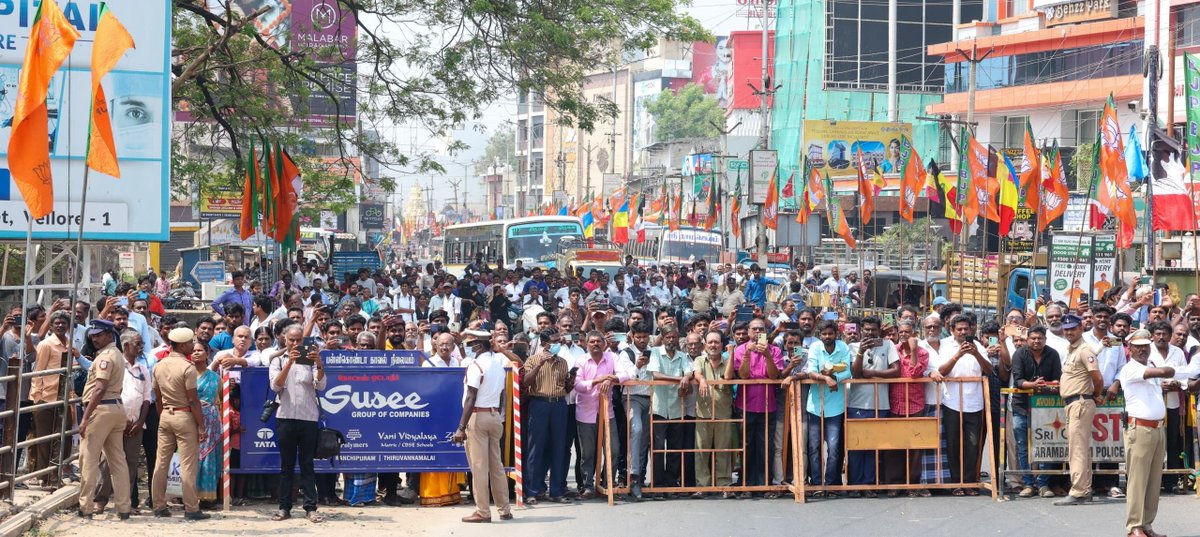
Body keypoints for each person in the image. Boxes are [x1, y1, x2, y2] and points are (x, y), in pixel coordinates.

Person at [453, 329, 513, 523]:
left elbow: (471, 397)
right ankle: (504, 509)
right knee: (496, 466)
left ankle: (483, 511)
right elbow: (503, 394)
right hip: (495, 415)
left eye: (471, 345)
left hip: (478, 416)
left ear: (478, 345)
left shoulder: (476, 365)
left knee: (479, 467)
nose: (470, 349)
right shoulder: (498, 364)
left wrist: (461, 427)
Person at [151, 327, 210, 520]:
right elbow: (193, 400)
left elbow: (158, 397)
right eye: (191, 343)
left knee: (161, 463)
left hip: (166, 416)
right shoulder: (187, 367)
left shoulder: (159, 365)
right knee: (187, 464)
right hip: (184, 416)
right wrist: (201, 425)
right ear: (183, 345)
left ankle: (159, 505)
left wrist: (163, 416)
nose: (193, 346)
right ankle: (191, 508)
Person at [269, 324, 327, 523]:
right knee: (286, 466)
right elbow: (276, 385)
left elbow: (320, 384)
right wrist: (289, 363)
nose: (295, 343)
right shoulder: (277, 359)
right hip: (285, 417)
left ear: (303, 340)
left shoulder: (310, 359)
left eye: (298, 340)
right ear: (284, 340)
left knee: (307, 465)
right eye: (291, 340)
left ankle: (311, 508)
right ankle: (284, 508)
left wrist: (319, 364)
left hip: (308, 418)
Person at [1120, 330, 1175, 537]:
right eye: (1138, 346)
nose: (1142, 349)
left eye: (1145, 346)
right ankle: (1134, 525)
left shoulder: (1149, 366)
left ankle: (1147, 524)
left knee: (1153, 481)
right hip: (1140, 429)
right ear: (1130, 349)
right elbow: (1166, 372)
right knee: (1137, 479)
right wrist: (1169, 369)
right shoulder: (1130, 369)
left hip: (1157, 427)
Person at [76, 320, 131, 520]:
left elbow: (99, 388)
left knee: (88, 459)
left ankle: (85, 506)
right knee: (118, 461)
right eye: (93, 335)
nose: (94, 338)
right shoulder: (116, 354)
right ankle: (124, 507)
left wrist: (86, 417)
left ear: (109, 334)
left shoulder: (105, 357)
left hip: (100, 409)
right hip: (116, 406)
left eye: (99, 334)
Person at [932, 314, 991, 496]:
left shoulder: (978, 345)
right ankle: (956, 482)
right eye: (960, 329)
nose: (963, 332)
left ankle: (971, 482)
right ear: (952, 330)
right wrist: (958, 355)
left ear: (971, 329)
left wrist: (976, 353)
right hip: (952, 402)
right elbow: (941, 371)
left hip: (975, 402)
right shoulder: (946, 345)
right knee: (953, 443)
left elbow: (989, 370)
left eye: (966, 329)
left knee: (973, 444)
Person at [94, 330, 152, 514]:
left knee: (131, 465)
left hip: (136, 424)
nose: (141, 347)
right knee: (107, 463)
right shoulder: (117, 365)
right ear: (126, 345)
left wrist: (140, 421)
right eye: (138, 344)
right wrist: (124, 419)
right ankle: (100, 500)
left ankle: (124, 503)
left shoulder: (143, 369)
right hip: (117, 421)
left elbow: (146, 398)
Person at [573, 331, 633, 499]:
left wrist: (611, 379)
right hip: (586, 413)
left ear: (603, 343)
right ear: (587, 344)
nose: (595, 344)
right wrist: (598, 381)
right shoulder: (581, 361)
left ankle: (607, 483)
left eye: (598, 341)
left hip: (608, 412)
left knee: (613, 449)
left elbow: (626, 374)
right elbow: (577, 385)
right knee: (588, 453)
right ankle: (588, 486)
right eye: (592, 341)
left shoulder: (612, 357)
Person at [727, 317, 783, 497]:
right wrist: (746, 355)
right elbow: (742, 375)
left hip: (768, 406)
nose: (758, 333)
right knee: (747, 445)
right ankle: (747, 484)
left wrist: (766, 355)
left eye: (761, 329)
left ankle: (764, 484)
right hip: (746, 404)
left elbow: (774, 376)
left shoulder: (774, 350)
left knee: (765, 446)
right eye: (754, 329)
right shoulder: (741, 349)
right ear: (749, 332)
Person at [794, 319, 851, 493]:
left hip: (836, 405)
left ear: (836, 334)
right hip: (815, 405)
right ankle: (818, 483)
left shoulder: (843, 347)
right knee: (814, 447)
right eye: (824, 334)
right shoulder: (815, 348)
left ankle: (832, 483)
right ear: (820, 335)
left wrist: (835, 377)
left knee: (833, 447)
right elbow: (812, 371)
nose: (827, 337)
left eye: (830, 333)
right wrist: (826, 378)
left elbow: (848, 371)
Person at [847, 316, 900, 496]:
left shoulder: (888, 345)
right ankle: (855, 485)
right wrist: (861, 351)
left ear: (879, 330)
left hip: (881, 403)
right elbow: (855, 373)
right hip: (856, 403)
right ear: (862, 330)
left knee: (873, 447)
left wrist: (872, 373)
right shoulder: (853, 347)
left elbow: (896, 370)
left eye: (873, 330)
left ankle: (869, 484)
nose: (870, 333)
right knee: (856, 446)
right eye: (867, 330)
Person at [521, 328, 574, 505]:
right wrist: (539, 365)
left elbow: (565, 388)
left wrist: (571, 382)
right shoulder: (532, 360)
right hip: (539, 403)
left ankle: (557, 491)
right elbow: (526, 382)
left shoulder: (563, 362)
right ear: (544, 343)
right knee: (536, 448)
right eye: (554, 341)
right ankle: (532, 491)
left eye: (559, 341)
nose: (558, 344)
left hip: (559, 404)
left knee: (559, 447)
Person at [1054, 314, 1103, 505]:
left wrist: (1097, 395)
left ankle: (1078, 491)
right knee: (1080, 448)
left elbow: (1098, 379)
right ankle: (1084, 488)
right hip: (1074, 403)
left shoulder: (1084, 350)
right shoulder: (1072, 349)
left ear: (1081, 328)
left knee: (1077, 450)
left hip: (1080, 402)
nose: (1069, 332)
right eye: (1066, 329)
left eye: (1073, 328)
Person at [1010, 326, 1062, 498]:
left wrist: (1050, 385)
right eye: (1033, 338)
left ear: (1045, 339)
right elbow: (1018, 381)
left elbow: (1057, 378)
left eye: (1040, 338)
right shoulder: (1019, 354)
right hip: (1021, 406)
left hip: (1045, 407)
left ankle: (1043, 484)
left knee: (1046, 445)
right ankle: (1027, 483)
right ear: (1027, 339)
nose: (1036, 341)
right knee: (1023, 446)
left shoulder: (1053, 354)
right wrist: (1033, 385)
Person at [418, 333, 467, 506]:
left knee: (450, 451)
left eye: (448, 344)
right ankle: (431, 495)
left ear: (453, 347)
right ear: (435, 346)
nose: (445, 347)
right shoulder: (428, 364)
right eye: (441, 344)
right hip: (433, 416)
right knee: (434, 452)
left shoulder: (457, 363)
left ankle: (451, 493)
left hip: (452, 414)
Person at [31, 310, 76, 488]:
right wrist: (37, 397)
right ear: (50, 326)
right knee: (45, 439)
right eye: (56, 323)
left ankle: (57, 471)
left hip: (64, 396)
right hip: (46, 397)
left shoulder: (69, 343)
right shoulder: (46, 344)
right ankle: (46, 477)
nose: (60, 325)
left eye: (63, 323)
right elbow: (38, 371)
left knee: (64, 435)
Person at [882, 320, 928, 495]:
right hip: (895, 403)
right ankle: (894, 484)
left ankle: (912, 484)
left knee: (915, 446)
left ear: (914, 334)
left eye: (907, 332)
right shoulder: (892, 350)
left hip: (915, 404)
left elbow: (915, 372)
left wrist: (914, 350)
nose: (903, 335)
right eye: (901, 332)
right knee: (894, 445)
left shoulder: (922, 352)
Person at [646, 325, 693, 497]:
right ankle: (657, 484)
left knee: (674, 448)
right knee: (658, 448)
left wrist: (686, 377)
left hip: (676, 407)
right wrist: (680, 379)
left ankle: (671, 482)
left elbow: (689, 372)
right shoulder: (656, 352)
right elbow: (656, 375)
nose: (671, 340)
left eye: (674, 337)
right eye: (668, 337)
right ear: (663, 337)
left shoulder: (682, 356)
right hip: (659, 408)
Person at [693, 329, 735, 497]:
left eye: (716, 342)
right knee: (701, 450)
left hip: (723, 413)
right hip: (703, 412)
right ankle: (702, 485)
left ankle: (724, 484)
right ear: (704, 345)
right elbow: (696, 373)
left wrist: (730, 356)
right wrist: (702, 380)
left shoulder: (727, 361)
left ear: (722, 345)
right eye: (710, 342)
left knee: (723, 450)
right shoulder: (699, 360)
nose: (713, 345)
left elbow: (728, 377)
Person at [191, 342, 223, 507]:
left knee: (209, 457)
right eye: (193, 350)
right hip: (190, 420)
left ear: (207, 353)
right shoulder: (186, 374)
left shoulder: (215, 378)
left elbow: (220, 399)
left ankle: (208, 497)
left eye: (200, 350)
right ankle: (189, 496)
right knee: (192, 457)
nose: (196, 353)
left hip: (211, 422)